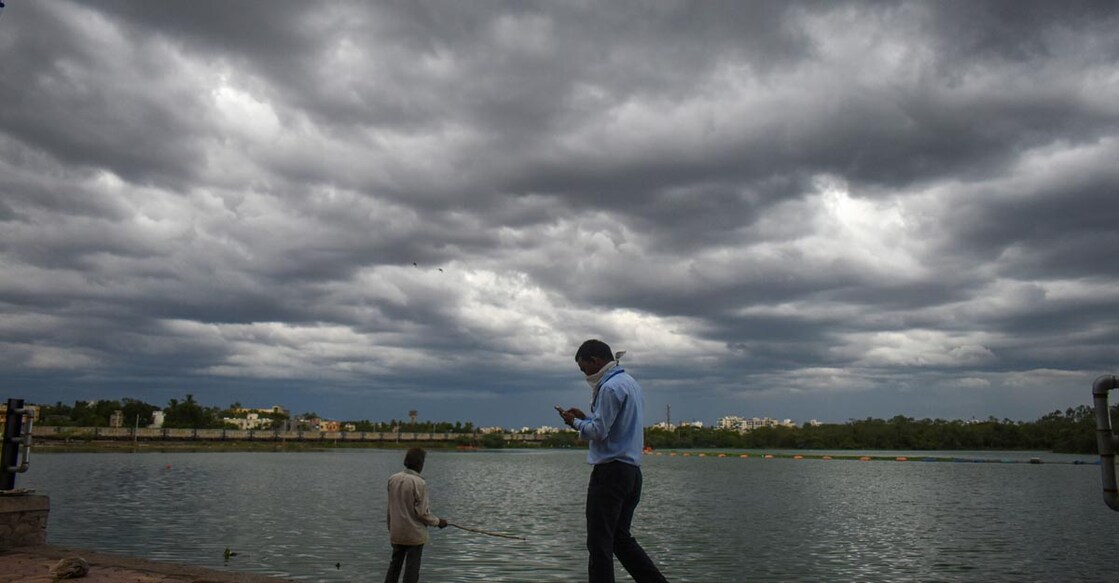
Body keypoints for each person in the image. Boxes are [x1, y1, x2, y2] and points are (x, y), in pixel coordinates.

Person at [558, 339, 669, 583]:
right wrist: (586, 418)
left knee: (599, 544)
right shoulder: (630, 383)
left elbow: (598, 432)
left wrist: (574, 422)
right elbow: (611, 427)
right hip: (631, 474)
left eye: (583, 367)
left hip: (610, 474)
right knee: (620, 539)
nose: (584, 373)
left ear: (595, 361)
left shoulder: (609, 388)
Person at [384, 447, 447, 583]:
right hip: (414, 535)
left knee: (394, 566)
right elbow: (422, 513)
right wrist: (438, 522)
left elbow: (390, 508)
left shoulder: (393, 479)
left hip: (397, 532)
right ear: (419, 464)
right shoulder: (419, 483)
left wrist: (391, 528)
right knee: (412, 569)